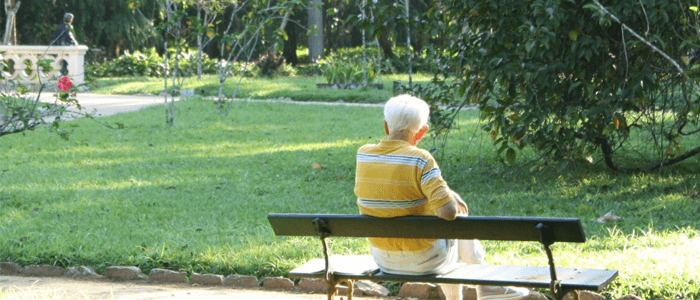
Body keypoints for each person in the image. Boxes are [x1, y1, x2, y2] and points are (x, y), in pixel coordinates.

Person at [354, 94, 530, 300]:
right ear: (421, 132)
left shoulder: (364, 155)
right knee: (458, 222)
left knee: (447, 229)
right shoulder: (421, 159)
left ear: (386, 126)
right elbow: (448, 212)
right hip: (424, 260)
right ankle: (487, 286)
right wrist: (451, 197)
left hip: (382, 259)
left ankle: (480, 290)